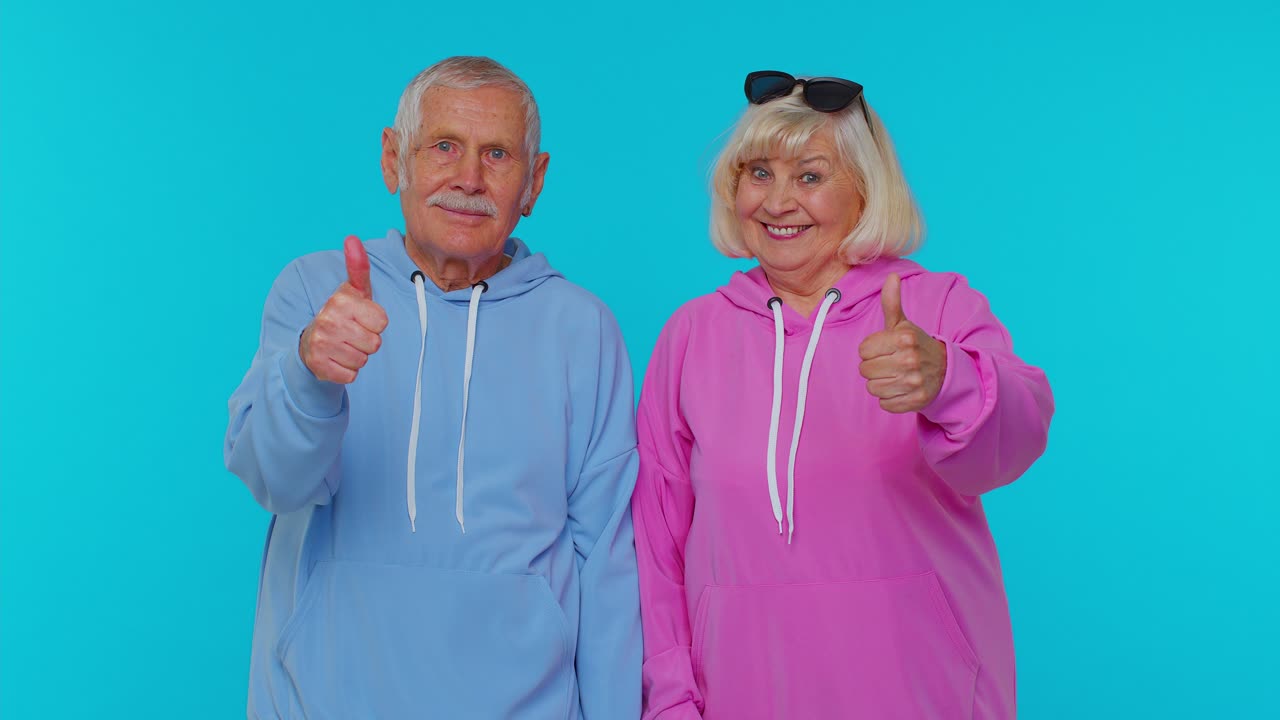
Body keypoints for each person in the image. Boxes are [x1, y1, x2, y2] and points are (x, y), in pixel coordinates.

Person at [225, 56, 641, 719]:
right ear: (395, 160)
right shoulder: (316, 292)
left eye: (497, 154)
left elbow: (609, 563)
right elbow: (275, 480)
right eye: (444, 146)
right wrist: (311, 373)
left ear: (533, 182)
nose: (468, 178)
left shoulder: (582, 328)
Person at [632, 70, 1054, 719]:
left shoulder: (933, 306)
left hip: (919, 690)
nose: (777, 201)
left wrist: (946, 377)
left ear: (864, 187)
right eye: (759, 173)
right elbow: (656, 535)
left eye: (810, 176)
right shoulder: (694, 334)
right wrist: (669, 694)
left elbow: (1020, 433)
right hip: (740, 692)